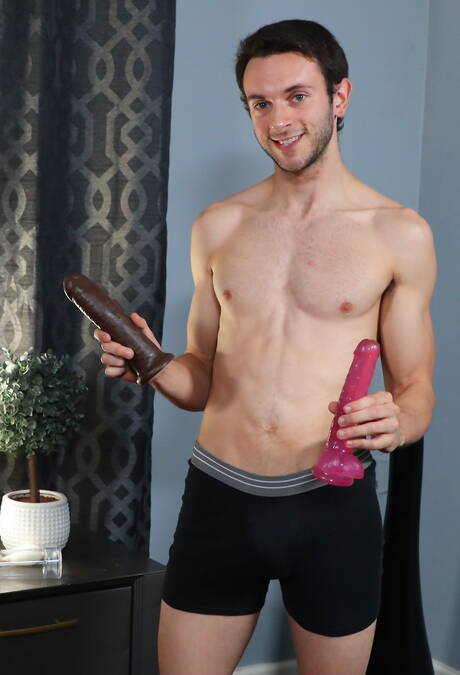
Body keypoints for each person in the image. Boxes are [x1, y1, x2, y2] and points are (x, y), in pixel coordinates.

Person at [95, 19, 436, 675]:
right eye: (260, 103)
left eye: (297, 96)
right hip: (220, 496)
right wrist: (152, 365)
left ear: (340, 96)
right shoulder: (218, 226)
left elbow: (417, 387)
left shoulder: (399, 234)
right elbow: (200, 379)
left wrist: (400, 420)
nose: (279, 120)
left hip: (331, 504)